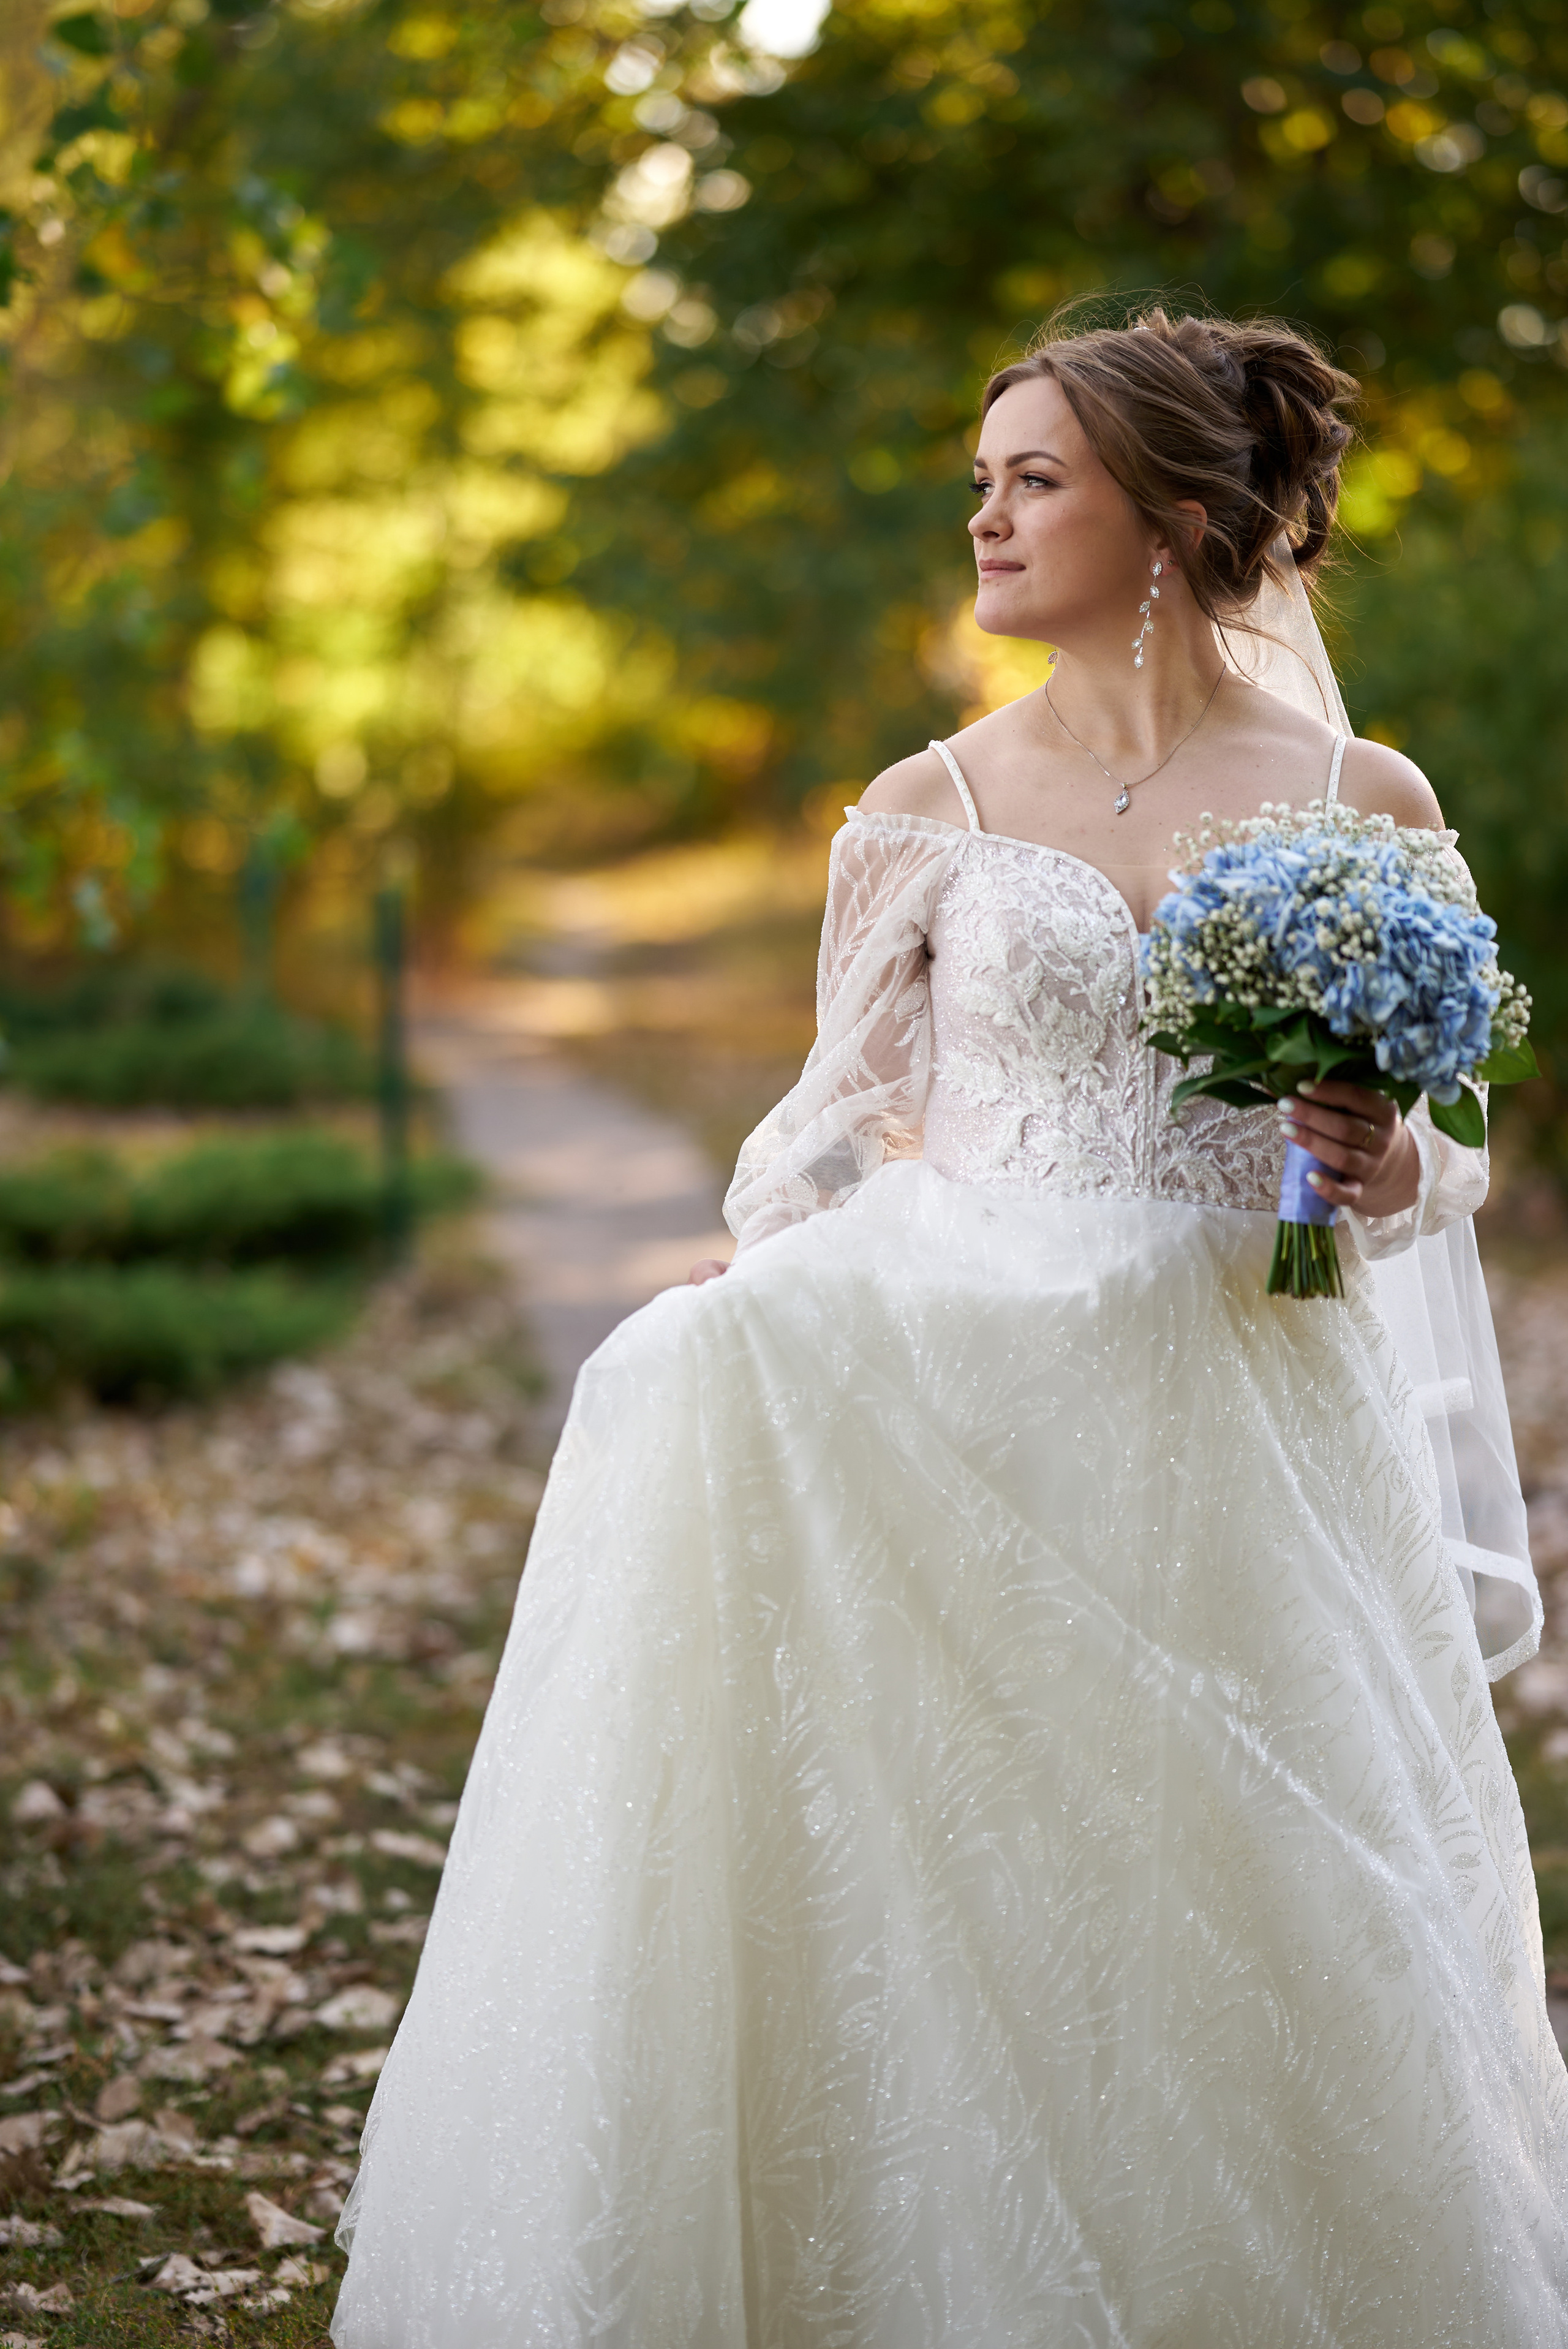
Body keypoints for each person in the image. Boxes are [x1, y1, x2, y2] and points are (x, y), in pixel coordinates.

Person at [331, 308, 1568, 2347]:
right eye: (981, 479)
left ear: (1170, 513)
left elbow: (1446, 1161)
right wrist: (767, 1278)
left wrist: (1371, 1156)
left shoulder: (1366, 792)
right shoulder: (932, 799)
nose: (983, 516)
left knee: (1256, 1886)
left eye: (1034, 479)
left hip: (1247, 1408)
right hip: (967, 1392)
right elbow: (829, 1124)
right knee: (974, 1875)